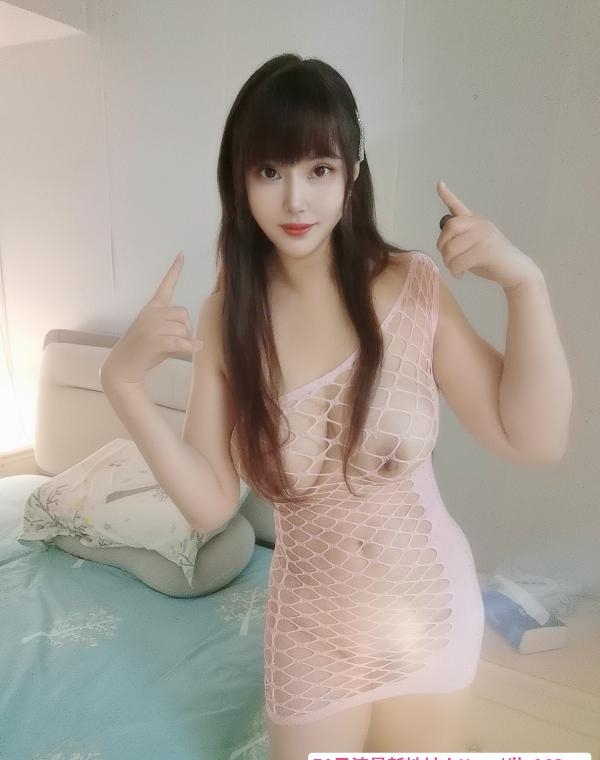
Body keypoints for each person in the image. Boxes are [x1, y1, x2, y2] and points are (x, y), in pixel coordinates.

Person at [102, 53, 572, 759]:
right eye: (270, 171)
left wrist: (524, 284)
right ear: (240, 181)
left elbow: (533, 439)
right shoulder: (227, 319)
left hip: (428, 613)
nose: (296, 200)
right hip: (312, 636)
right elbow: (209, 505)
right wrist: (123, 386)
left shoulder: (411, 286)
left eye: (319, 169)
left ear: (352, 174)